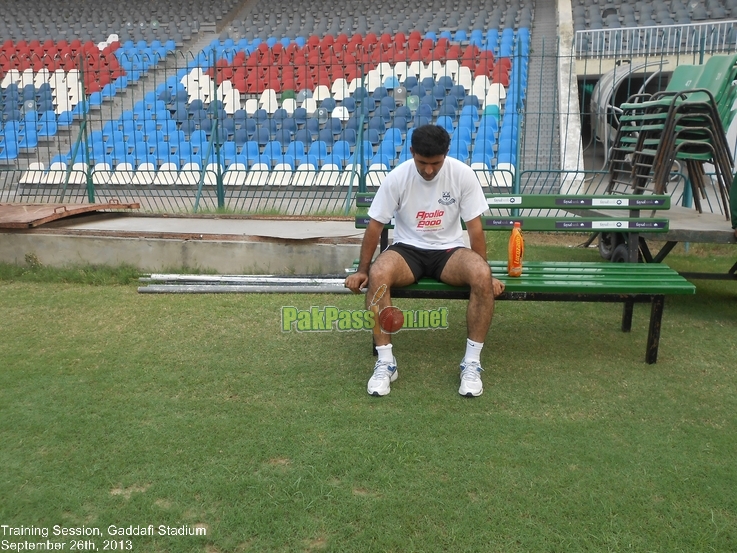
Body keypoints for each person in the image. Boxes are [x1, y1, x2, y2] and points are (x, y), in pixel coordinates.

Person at [345, 125, 505, 397]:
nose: (429, 170)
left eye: (436, 163)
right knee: (379, 272)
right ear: (412, 153)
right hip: (408, 250)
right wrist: (362, 270)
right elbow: (375, 227)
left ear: (446, 155)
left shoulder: (463, 175)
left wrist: (487, 276)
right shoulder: (398, 177)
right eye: (422, 162)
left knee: (480, 273)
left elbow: (475, 229)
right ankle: (386, 362)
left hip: (449, 252)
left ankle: (472, 363)